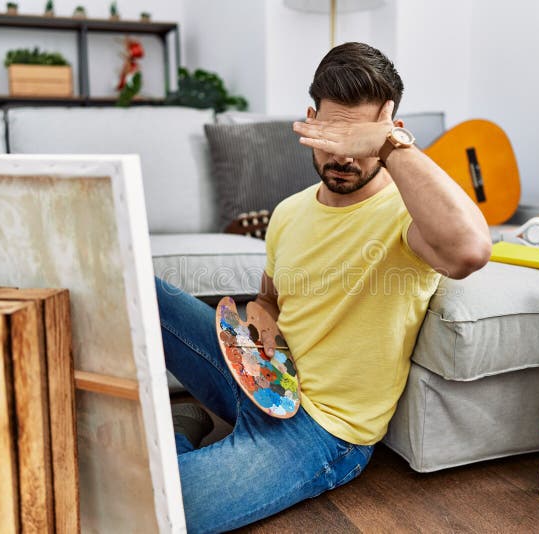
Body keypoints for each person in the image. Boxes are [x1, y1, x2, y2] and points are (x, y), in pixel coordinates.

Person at [156, 41, 492, 533]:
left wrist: (392, 144)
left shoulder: (407, 214)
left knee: (158, 505)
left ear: (388, 131)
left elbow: (469, 250)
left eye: (361, 141)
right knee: (141, 289)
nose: (345, 157)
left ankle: (177, 432)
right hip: (262, 376)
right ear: (311, 120)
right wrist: (264, 308)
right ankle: (181, 434)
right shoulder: (290, 211)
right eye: (333, 134)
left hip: (323, 432)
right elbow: (269, 295)